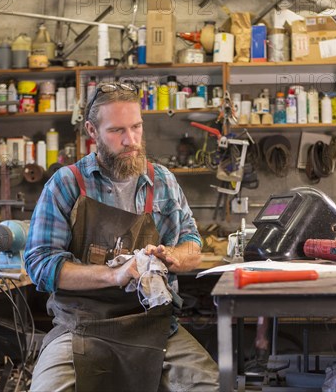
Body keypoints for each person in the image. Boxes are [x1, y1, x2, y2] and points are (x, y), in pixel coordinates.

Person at [24, 82, 219, 392]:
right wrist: (114, 275)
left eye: (137, 127)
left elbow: (192, 243)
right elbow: (41, 266)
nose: (131, 141)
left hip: (154, 324)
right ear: (92, 130)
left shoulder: (163, 181)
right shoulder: (67, 183)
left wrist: (174, 256)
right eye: (117, 131)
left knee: (207, 385)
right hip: (82, 326)